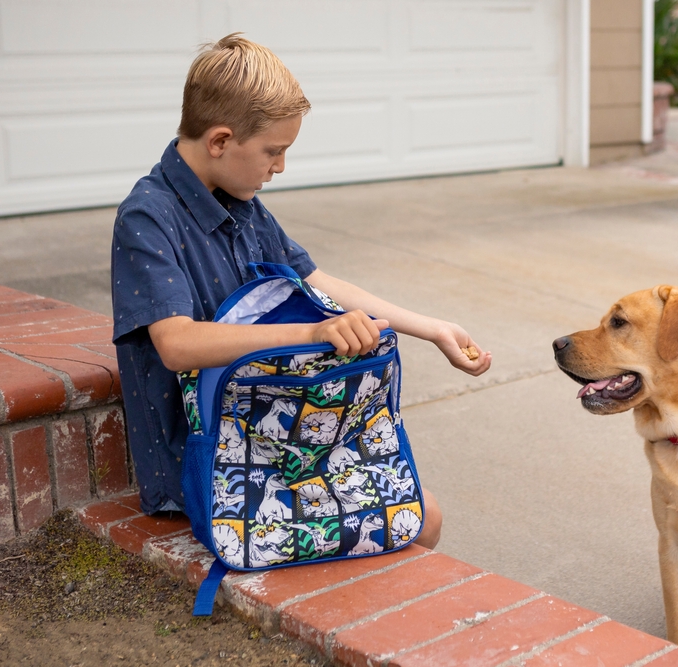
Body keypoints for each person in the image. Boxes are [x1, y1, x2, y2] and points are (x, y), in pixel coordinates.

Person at [110, 33, 491, 549]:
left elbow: (315, 278)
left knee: (422, 517)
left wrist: (430, 327)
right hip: (208, 459)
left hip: (267, 430)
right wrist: (314, 330)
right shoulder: (148, 215)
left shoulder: (239, 201)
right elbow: (177, 344)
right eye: (274, 151)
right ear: (220, 141)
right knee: (413, 523)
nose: (280, 167)